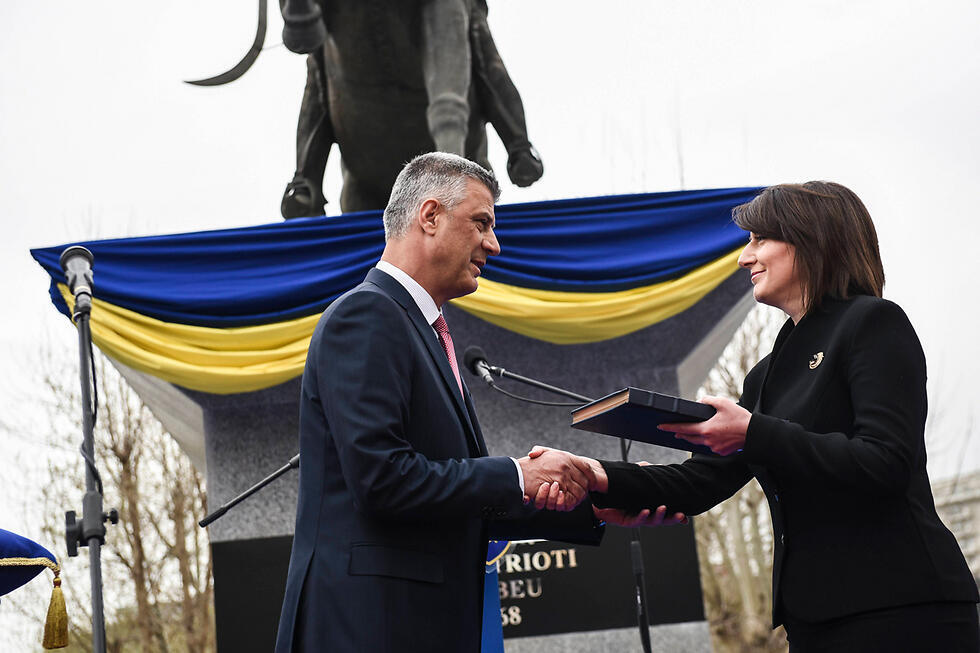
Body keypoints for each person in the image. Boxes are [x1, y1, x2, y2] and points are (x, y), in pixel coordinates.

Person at [532, 182, 980, 651]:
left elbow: (886, 462)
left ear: (811, 240)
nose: (744, 258)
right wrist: (595, 475)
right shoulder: (766, 373)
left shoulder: (874, 323)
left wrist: (754, 432)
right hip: (814, 618)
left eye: (759, 239)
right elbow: (701, 481)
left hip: (903, 607)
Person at [274, 152, 603, 653]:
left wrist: (592, 500)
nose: (494, 244)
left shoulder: (421, 330)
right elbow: (383, 480)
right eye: (482, 223)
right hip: (368, 630)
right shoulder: (367, 316)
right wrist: (518, 474)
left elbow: (459, 501)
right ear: (430, 216)